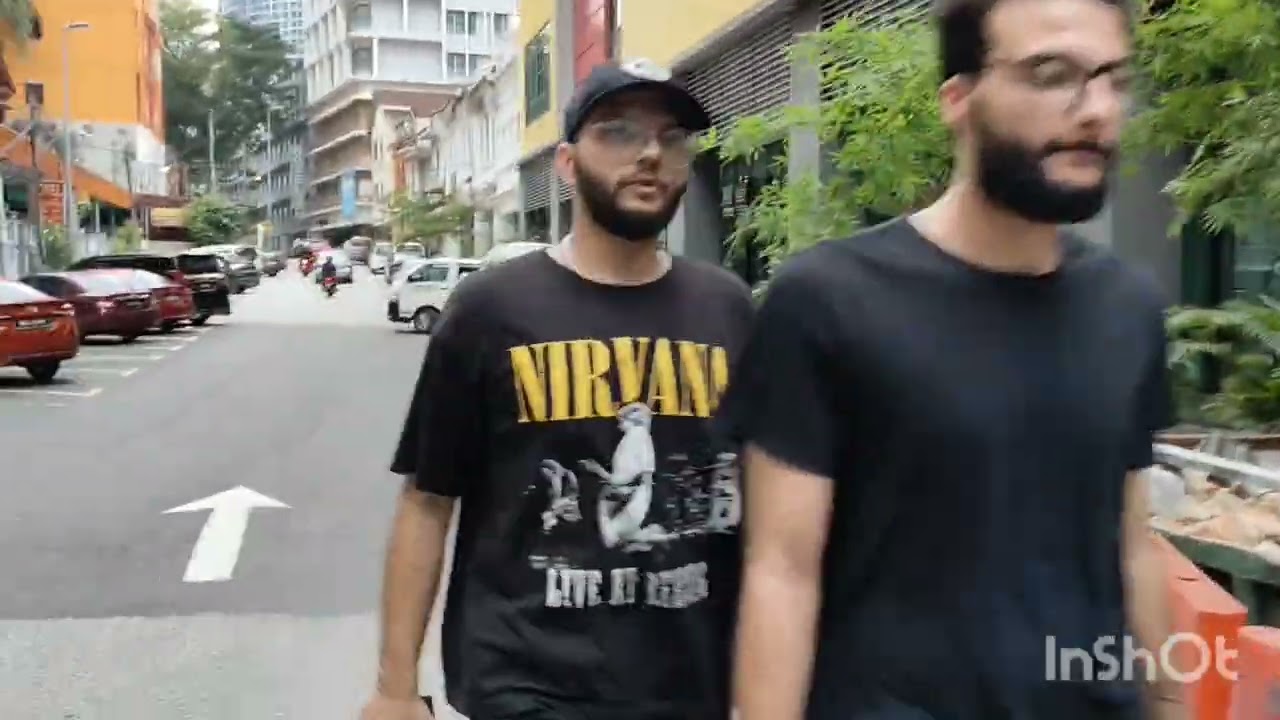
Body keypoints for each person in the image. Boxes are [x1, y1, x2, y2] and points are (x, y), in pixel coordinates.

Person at [721, 0, 1182, 719]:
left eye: (1113, 79)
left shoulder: (1129, 307)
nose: (1095, 110)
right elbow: (781, 572)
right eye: (1051, 74)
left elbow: (1133, 545)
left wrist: (1171, 701)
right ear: (958, 99)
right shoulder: (829, 300)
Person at [361, 58, 755, 720]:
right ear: (567, 164)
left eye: (671, 138)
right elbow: (428, 501)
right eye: (619, 132)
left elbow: (759, 505)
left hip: (688, 683)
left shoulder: (728, 309)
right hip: (527, 679)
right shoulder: (490, 309)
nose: (650, 154)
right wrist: (396, 689)